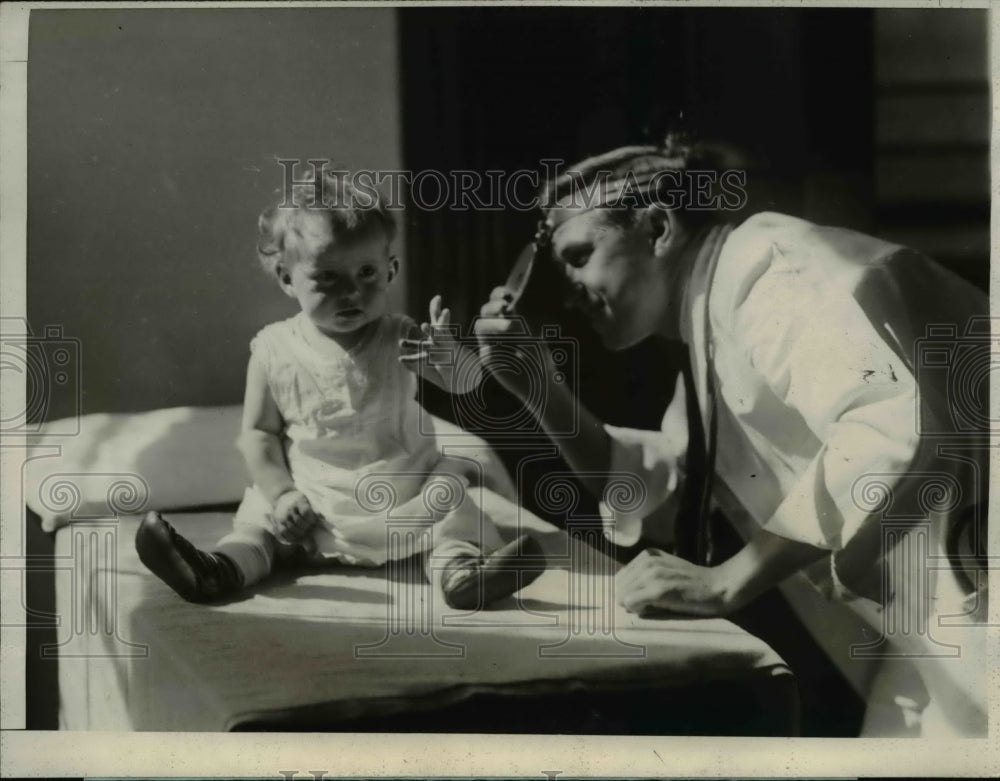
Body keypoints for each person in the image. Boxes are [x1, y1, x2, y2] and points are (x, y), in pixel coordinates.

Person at [474, 136, 989, 735]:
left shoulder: (772, 272)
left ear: (658, 228)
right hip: (933, 627)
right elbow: (661, 489)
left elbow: (887, 428)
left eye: (580, 255)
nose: (567, 293)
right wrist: (538, 389)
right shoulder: (713, 322)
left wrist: (728, 580)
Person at [136, 168, 544, 610]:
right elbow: (258, 435)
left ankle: (459, 572)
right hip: (315, 504)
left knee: (451, 505)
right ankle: (220, 569)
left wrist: (449, 358)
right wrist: (282, 493)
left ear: (391, 271)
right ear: (287, 279)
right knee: (259, 524)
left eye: (367, 272)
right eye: (328, 277)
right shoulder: (273, 349)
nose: (351, 291)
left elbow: (468, 387)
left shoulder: (401, 335)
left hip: (405, 495)